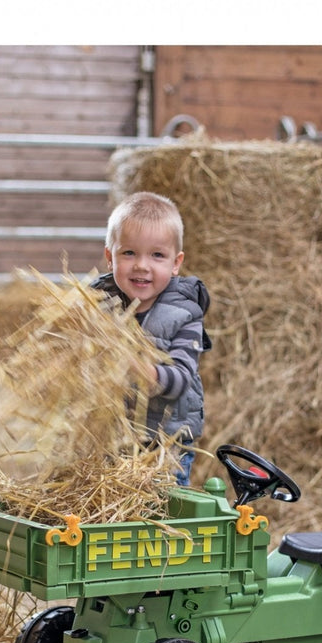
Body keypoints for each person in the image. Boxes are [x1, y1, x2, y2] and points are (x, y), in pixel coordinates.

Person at [91, 191, 211, 486]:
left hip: (165, 447)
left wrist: (145, 372)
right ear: (110, 257)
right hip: (112, 442)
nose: (142, 265)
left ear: (175, 263)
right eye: (129, 253)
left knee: (159, 518)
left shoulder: (184, 314)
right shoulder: (98, 304)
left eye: (157, 255)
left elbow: (182, 377)